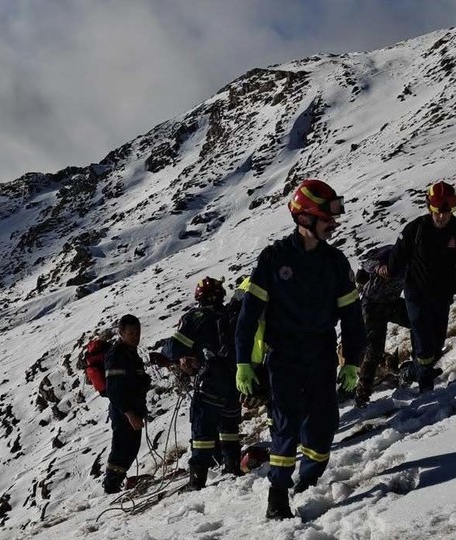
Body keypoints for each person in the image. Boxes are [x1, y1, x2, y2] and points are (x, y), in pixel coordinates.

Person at [235, 178, 367, 520]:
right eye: (327, 217)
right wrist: (243, 362)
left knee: (323, 427)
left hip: (321, 354)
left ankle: (308, 479)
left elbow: (353, 318)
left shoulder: (336, 262)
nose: (333, 223)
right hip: (283, 356)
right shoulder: (273, 258)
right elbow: (248, 316)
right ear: (305, 217)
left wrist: (352, 362)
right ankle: (278, 494)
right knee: (287, 423)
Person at [378, 180, 456, 393]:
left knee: (436, 346)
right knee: (424, 346)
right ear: (429, 207)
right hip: (416, 294)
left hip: (443, 295)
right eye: (437, 211)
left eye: (447, 211)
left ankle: (410, 372)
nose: (442, 216)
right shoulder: (415, 229)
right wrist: (386, 270)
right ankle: (426, 391)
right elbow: (396, 259)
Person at [164, 276, 242, 490]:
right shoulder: (231, 314)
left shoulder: (196, 317)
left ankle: (197, 480)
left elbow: (173, 348)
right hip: (234, 379)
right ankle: (233, 466)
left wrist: (176, 355)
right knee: (229, 426)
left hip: (209, 380)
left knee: (202, 431)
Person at [353, 244, 410, 408]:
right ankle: (363, 393)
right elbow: (364, 264)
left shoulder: (417, 259)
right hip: (372, 304)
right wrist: (378, 267)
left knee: (419, 322)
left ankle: (416, 369)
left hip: (392, 301)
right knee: (374, 349)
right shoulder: (390, 252)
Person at [102, 314, 151, 494]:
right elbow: (114, 390)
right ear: (121, 333)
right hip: (123, 412)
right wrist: (129, 414)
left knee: (130, 448)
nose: (135, 337)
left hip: (134, 409)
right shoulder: (117, 355)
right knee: (122, 449)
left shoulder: (131, 353)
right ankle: (110, 487)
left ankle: (115, 484)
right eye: (131, 333)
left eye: (137, 332)